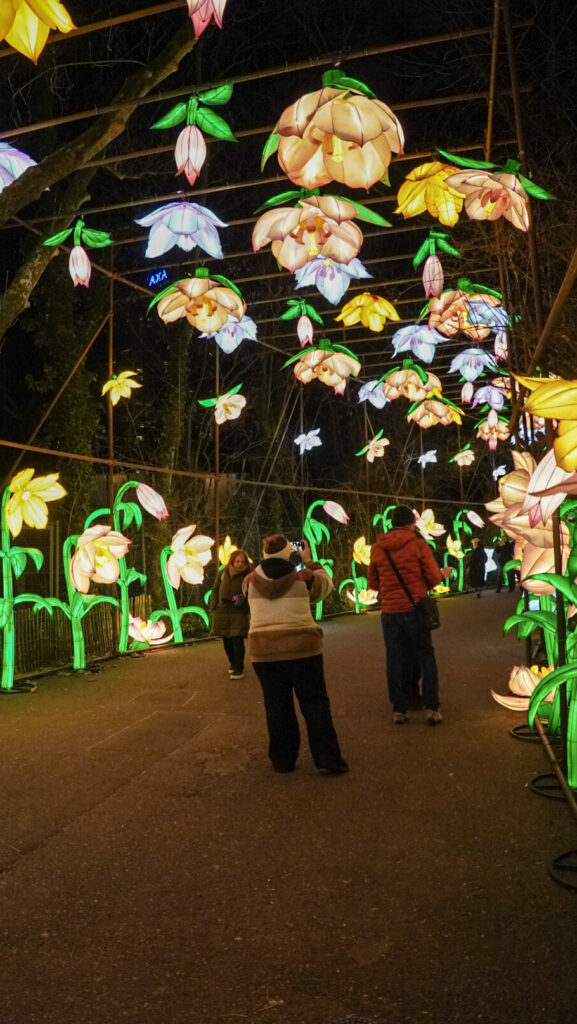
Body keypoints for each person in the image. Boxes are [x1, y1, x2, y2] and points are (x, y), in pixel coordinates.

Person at [243, 534, 348, 775]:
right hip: (303, 650)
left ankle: (283, 760)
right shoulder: (303, 577)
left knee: (276, 705)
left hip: (264, 653)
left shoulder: (249, 580)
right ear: (288, 551)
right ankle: (327, 758)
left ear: (264, 552)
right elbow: (326, 586)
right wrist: (309, 559)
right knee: (315, 704)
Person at [367, 504, 451, 726]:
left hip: (390, 612)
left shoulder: (377, 548)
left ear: (392, 524)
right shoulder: (418, 545)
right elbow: (433, 578)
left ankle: (399, 709)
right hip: (414, 609)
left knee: (395, 658)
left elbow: (373, 582)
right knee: (425, 656)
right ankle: (432, 707)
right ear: (411, 524)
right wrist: (442, 574)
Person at [209, 549, 252, 679]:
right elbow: (215, 589)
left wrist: (238, 600)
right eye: (237, 561)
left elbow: (249, 593)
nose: (240, 564)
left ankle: (239, 668)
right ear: (232, 561)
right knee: (226, 641)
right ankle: (233, 664)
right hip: (222, 612)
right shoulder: (223, 573)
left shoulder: (249, 575)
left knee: (237, 640)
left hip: (238, 612)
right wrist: (214, 605)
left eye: (242, 562)